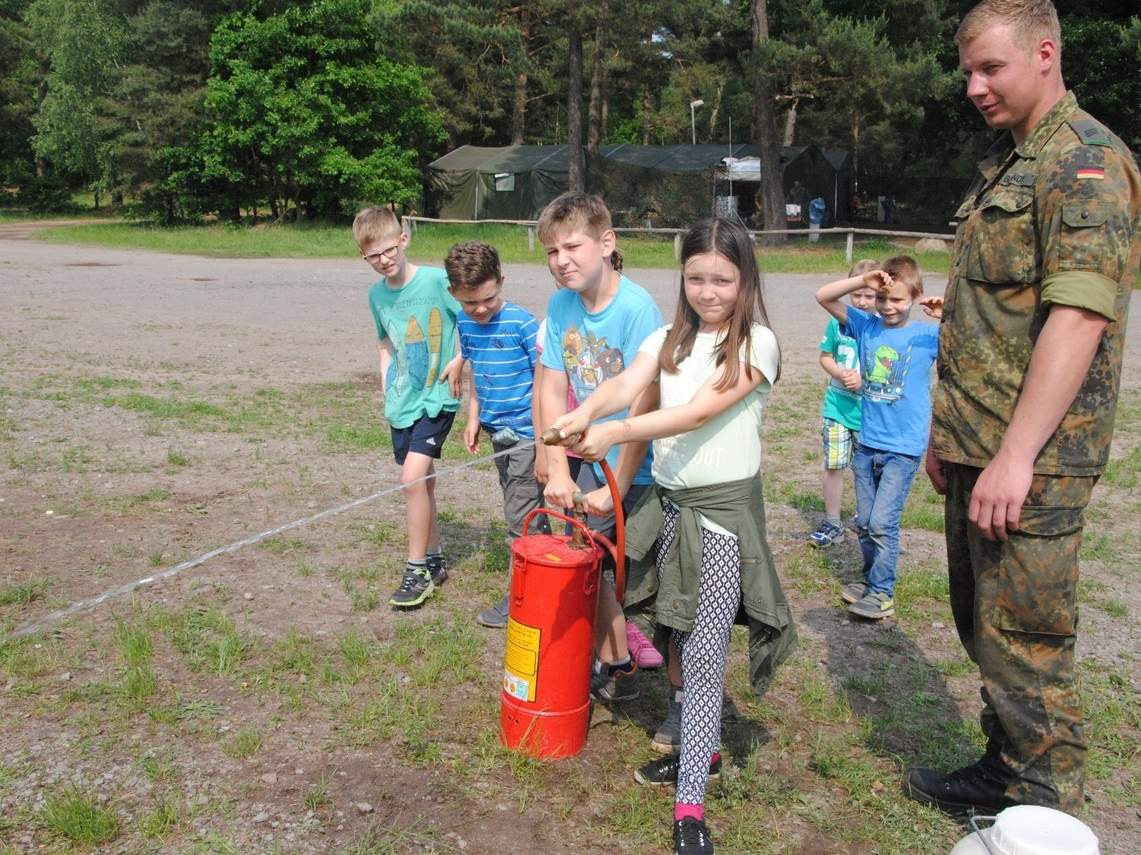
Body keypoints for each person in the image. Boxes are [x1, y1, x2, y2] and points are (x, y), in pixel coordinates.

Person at [907, 0, 1140, 818]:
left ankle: (1045, 808)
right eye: (967, 70)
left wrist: (1013, 455)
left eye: (990, 68)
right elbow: (985, 315)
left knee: (1027, 640)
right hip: (979, 442)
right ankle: (1005, 767)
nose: (973, 86)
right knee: (985, 627)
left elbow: (1078, 316)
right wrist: (952, 436)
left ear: (1045, 54)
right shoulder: (1010, 163)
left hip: (1031, 457)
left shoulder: (1083, 162)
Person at [551, 216, 796, 855]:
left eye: (723, 279)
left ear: (746, 280)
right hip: (669, 510)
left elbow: (697, 411)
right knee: (676, 642)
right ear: (680, 276)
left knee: (707, 651)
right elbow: (627, 386)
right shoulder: (667, 338)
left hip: (720, 522)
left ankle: (690, 805)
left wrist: (615, 434)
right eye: (696, 278)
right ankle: (702, 748)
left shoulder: (756, 346)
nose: (708, 292)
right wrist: (582, 414)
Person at [536, 191, 665, 702]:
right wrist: (556, 467)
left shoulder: (637, 308)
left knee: (600, 567)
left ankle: (621, 661)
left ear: (607, 243)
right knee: (582, 560)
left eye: (572, 247)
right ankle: (616, 663)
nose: (561, 261)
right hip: (580, 462)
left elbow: (644, 409)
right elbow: (549, 387)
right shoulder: (560, 303)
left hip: (628, 465)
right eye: (551, 251)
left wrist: (619, 487)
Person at [815, 256, 939, 619]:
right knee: (865, 523)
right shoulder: (866, 327)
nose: (887, 307)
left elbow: (972, 342)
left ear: (916, 297)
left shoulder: (927, 336)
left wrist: (946, 316)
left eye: (897, 300)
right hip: (868, 443)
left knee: (883, 522)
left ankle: (883, 593)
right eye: (882, 298)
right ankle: (871, 582)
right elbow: (823, 296)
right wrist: (863, 280)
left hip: (903, 448)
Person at [354, 207, 463, 609]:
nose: (383, 260)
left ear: (403, 239)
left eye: (388, 249)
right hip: (403, 401)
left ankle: (416, 568)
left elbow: (468, 318)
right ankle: (434, 558)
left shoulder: (436, 281)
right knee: (424, 481)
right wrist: (386, 381)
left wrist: (460, 359)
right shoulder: (376, 295)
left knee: (411, 477)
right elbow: (385, 341)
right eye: (372, 256)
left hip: (438, 398)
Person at [444, 241, 546, 629]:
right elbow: (476, 371)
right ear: (455, 293)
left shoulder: (522, 323)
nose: (480, 309)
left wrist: (542, 441)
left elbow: (546, 380)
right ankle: (542, 579)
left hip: (526, 436)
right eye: (471, 303)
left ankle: (525, 597)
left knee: (519, 520)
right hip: (497, 433)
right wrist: (474, 418)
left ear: (501, 281)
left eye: (487, 298)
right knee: (525, 512)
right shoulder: (464, 321)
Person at [807, 259, 879, 548]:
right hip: (837, 407)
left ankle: (867, 518)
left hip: (869, 415)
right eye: (857, 293)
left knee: (867, 469)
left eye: (869, 295)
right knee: (834, 465)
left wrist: (864, 381)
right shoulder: (837, 322)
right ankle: (833, 520)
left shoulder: (881, 327)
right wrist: (838, 372)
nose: (862, 301)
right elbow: (825, 356)